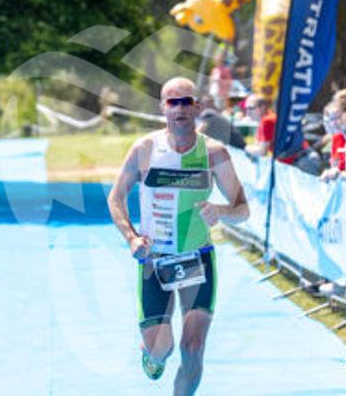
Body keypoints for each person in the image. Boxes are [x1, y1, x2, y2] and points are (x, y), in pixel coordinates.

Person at [107, 77, 250, 394]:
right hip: (154, 259)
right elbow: (115, 198)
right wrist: (131, 238)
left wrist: (221, 211)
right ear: (163, 108)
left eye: (187, 101)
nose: (180, 108)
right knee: (162, 349)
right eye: (173, 102)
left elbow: (243, 209)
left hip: (197, 258)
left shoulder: (214, 153)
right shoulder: (145, 149)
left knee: (193, 346)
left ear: (197, 107)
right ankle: (151, 354)